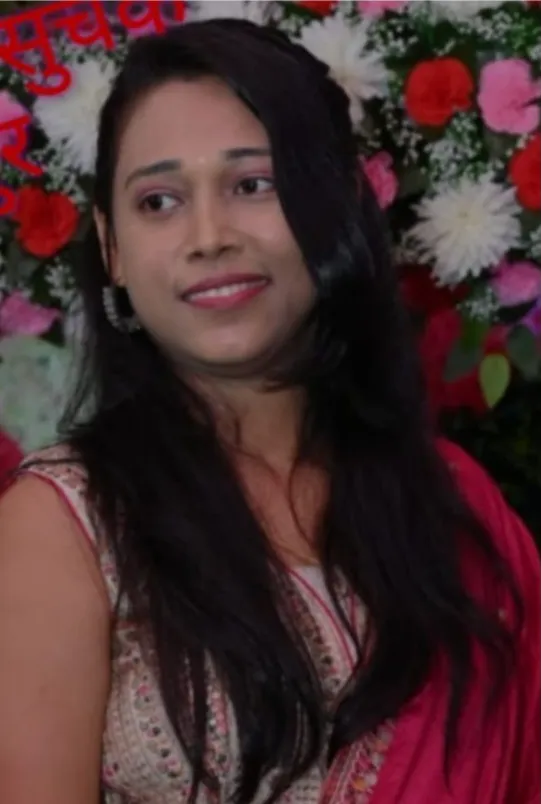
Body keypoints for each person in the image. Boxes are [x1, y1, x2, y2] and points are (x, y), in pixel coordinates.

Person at [0, 19, 538, 804]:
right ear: (112, 249)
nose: (208, 237)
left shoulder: (452, 504)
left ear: (337, 205)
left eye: (252, 185)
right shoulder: (61, 527)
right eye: (158, 201)